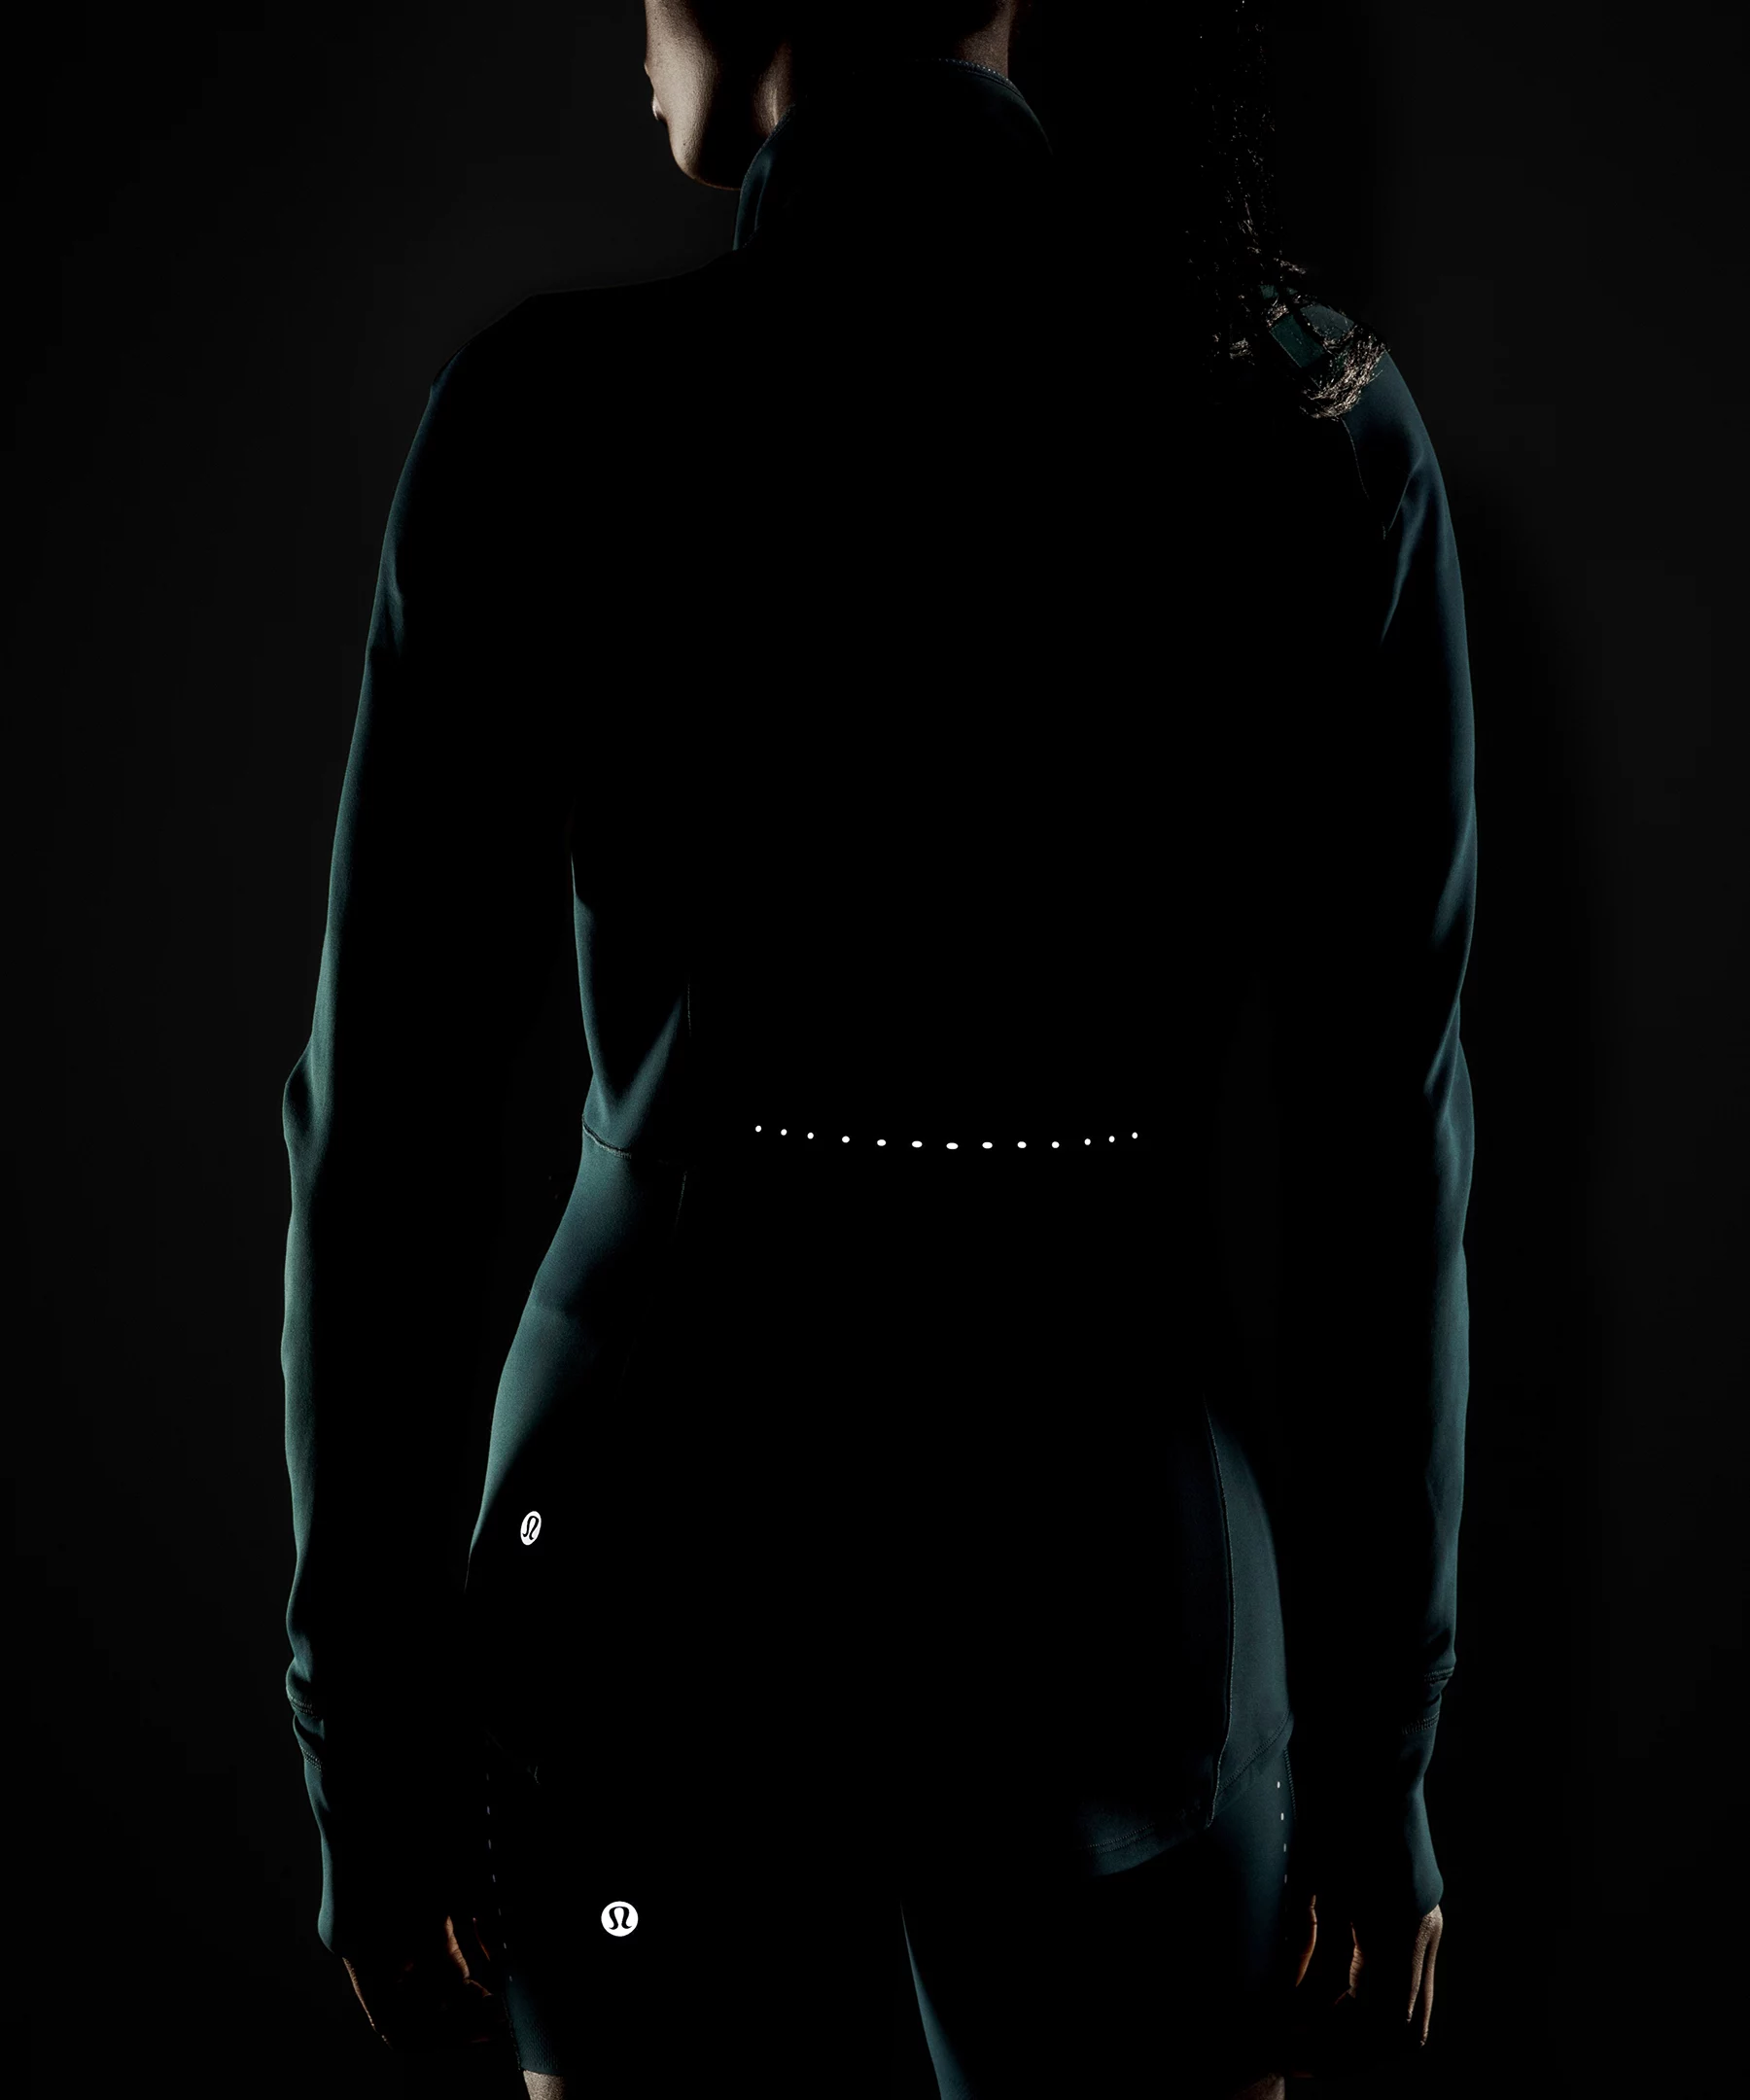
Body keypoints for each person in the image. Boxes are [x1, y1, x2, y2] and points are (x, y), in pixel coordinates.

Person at [278, 4, 1473, 2094]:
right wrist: (1377, 1770)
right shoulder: (1311, 424)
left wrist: (369, 1752)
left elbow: (382, 1150)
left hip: (643, 1643)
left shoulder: (551, 419)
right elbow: (1382, 1174)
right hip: (1126, 1651)